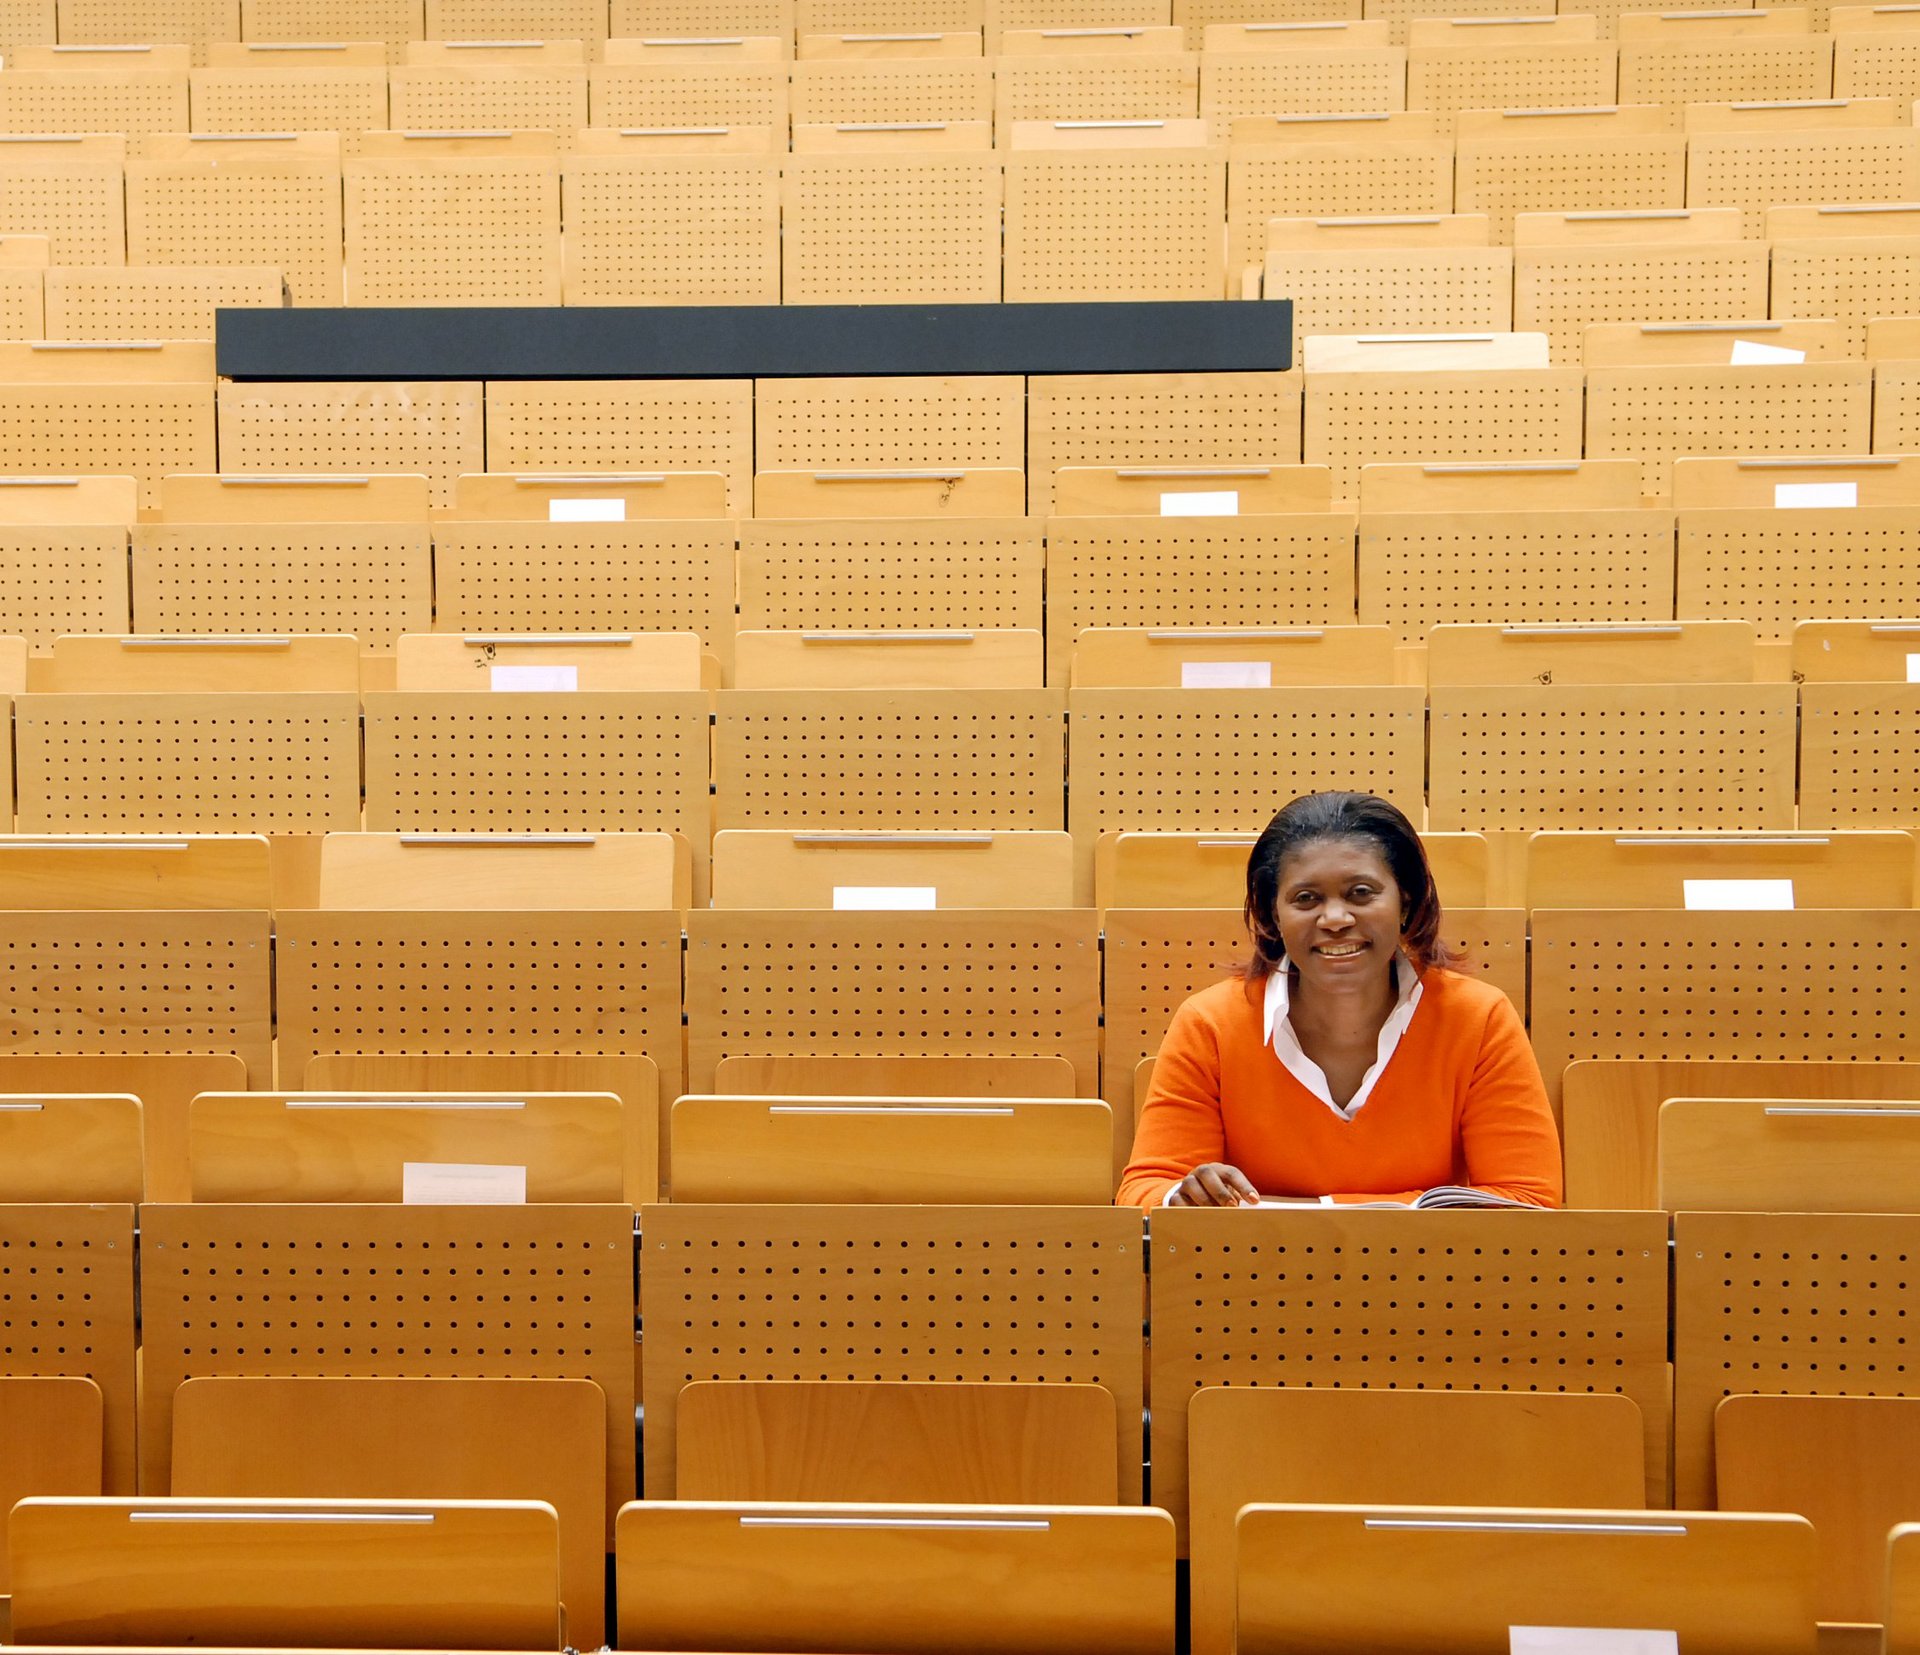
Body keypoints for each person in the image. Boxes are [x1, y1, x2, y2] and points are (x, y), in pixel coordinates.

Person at [1115, 791, 1562, 1210]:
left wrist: (1317, 1213)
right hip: (1254, 1268)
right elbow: (1145, 1190)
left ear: (1406, 903)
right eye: (1306, 898)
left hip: (1434, 1267)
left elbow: (1528, 1200)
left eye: (1360, 893)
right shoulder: (1209, 1024)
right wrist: (1184, 1198)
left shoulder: (1478, 1018)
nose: (1334, 918)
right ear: (1273, 914)